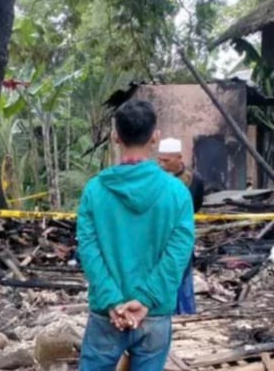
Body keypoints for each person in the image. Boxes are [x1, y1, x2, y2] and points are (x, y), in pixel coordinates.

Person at [77, 100, 195, 371]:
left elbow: (89, 252)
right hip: (154, 314)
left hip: (107, 315)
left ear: (116, 137)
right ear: (155, 138)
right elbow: (178, 255)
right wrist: (144, 301)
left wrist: (112, 302)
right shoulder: (177, 193)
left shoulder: (94, 191)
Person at [157, 137, 204, 315]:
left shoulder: (194, 180)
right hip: (160, 234)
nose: (162, 164)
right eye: (159, 160)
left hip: (182, 233)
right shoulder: (156, 179)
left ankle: (185, 313)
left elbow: (197, 205)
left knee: (183, 275)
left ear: (179, 157)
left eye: (166, 160)